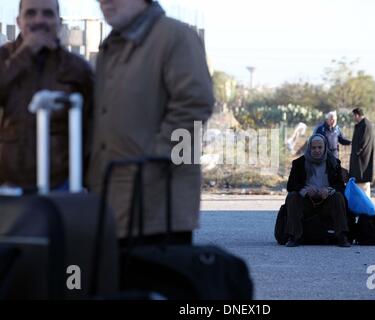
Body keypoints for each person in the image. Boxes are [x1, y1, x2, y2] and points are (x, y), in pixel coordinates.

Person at [89, 0, 215, 245]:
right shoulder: (110, 48)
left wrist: (158, 160)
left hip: (160, 210)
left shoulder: (176, 37)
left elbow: (196, 106)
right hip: (113, 203)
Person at [0, 0, 93, 191]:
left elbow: (91, 128)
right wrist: (25, 54)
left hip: (60, 184)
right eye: (31, 13)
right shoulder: (4, 58)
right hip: (7, 185)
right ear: (19, 21)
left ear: (59, 22)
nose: (39, 20)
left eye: (47, 14)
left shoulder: (77, 68)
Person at [284, 134, 352, 248]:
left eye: (320, 147)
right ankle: (294, 237)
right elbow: (291, 185)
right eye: (314, 148)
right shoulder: (299, 163)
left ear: (325, 148)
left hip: (326, 201)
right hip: (307, 202)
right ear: (309, 148)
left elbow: (340, 186)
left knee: (338, 196)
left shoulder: (333, 162)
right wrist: (305, 190)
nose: (317, 150)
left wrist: (329, 190)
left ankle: (342, 236)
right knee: (292, 196)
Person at [349, 108, 375, 198]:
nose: (353, 118)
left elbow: (363, 143)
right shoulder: (361, 125)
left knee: (363, 188)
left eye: (353, 115)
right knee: (361, 188)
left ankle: (366, 209)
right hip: (360, 161)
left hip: (362, 163)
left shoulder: (365, 125)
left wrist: (356, 153)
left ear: (357, 115)